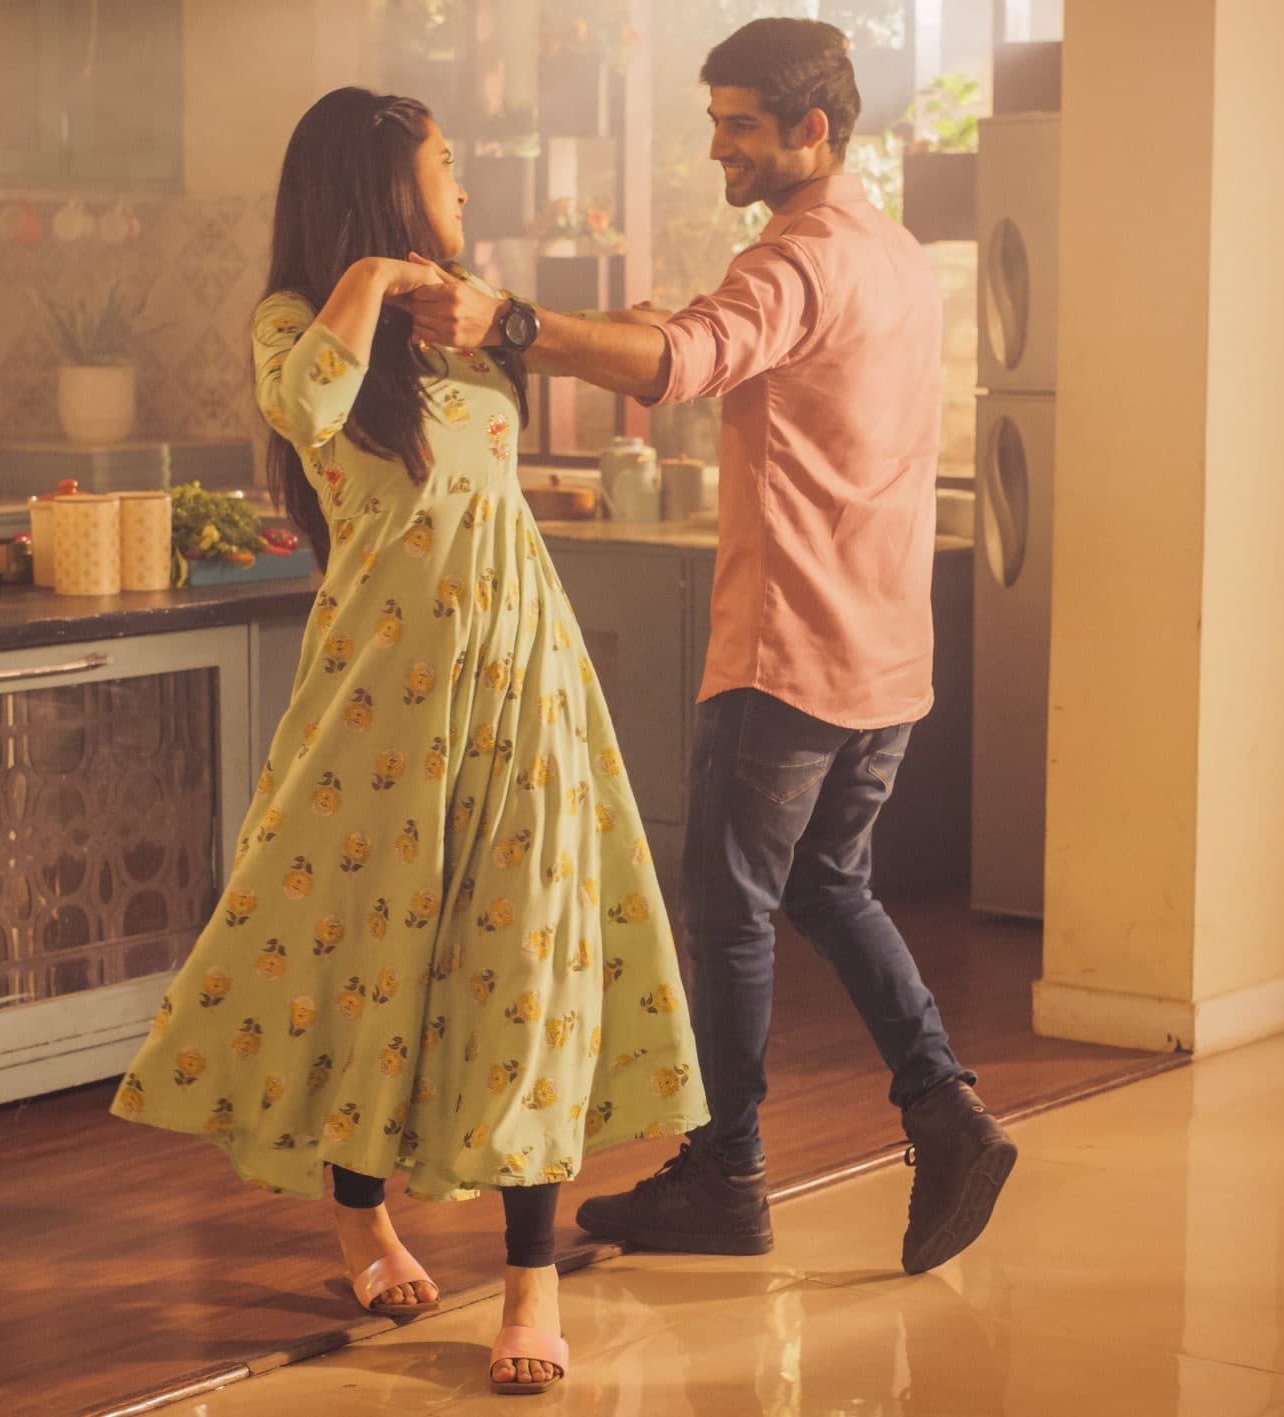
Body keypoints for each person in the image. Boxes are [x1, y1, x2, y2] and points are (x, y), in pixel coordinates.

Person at [111, 86, 706, 1398]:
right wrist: (378, 274)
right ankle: (361, 1218)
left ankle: (531, 1281)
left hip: (527, 685)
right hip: (380, 701)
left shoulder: (470, 321)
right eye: (444, 168)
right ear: (380, 186)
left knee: (527, 967)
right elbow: (309, 411)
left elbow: (525, 437)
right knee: (365, 960)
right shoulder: (300, 324)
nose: (464, 190)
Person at [398, 17, 1016, 1277]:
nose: (719, 146)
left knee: (727, 902)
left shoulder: (790, 261)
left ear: (812, 131)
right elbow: (740, 353)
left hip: (789, 646)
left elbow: (685, 359)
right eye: (714, 120)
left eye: (739, 124)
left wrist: (505, 321)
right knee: (826, 883)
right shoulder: (888, 253)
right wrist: (650, 328)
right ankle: (943, 1108)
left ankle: (728, 1172)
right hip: (888, 645)